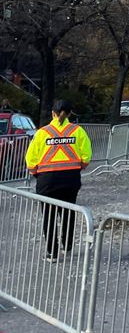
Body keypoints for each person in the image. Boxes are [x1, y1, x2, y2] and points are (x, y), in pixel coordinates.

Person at [24, 99, 92, 262]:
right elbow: (86, 155)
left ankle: (52, 253)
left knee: (49, 215)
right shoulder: (78, 131)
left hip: (47, 179)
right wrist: (78, 167)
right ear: (69, 113)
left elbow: (30, 159)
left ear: (53, 113)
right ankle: (66, 246)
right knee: (68, 212)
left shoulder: (42, 133)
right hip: (70, 178)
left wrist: (36, 173)